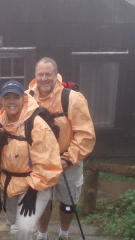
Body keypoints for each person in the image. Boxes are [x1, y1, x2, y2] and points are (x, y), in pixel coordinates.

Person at [29, 57, 96, 240]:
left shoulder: (73, 98)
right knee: (43, 202)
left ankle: (63, 234)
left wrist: (68, 158)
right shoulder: (27, 98)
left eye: (48, 74)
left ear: (55, 75)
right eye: (40, 74)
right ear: (35, 76)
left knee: (68, 203)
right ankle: (42, 235)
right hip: (40, 163)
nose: (44, 78)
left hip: (68, 162)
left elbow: (85, 135)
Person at [0, 80, 63, 240]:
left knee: (24, 229)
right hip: (8, 184)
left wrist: (34, 190)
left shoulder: (37, 125)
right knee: (13, 227)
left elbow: (49, 163)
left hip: (35, 185)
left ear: (23, 98)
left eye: (15, 97)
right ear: (1, 100)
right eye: (6, 97)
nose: (11, 102)